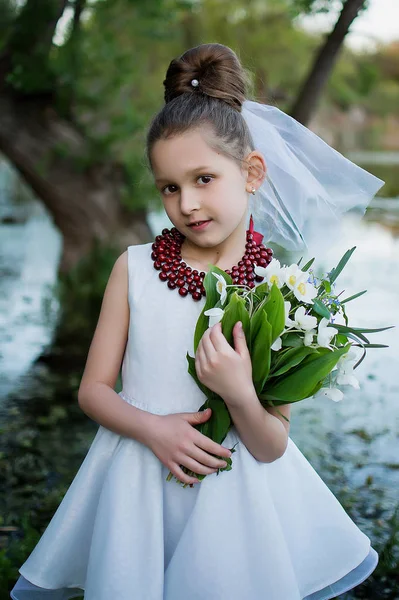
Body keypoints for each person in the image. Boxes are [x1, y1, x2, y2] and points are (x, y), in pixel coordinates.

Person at [11, 43, 382, 600]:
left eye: (204, 179)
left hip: (234, 501)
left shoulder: (281, 292)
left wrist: (238, 393)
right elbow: (92, 391)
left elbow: (271, 445)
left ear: (252, 172)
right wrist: (153, 429)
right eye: (169, 187)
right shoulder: (134, 269)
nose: (186, 203)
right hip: (139, 480)